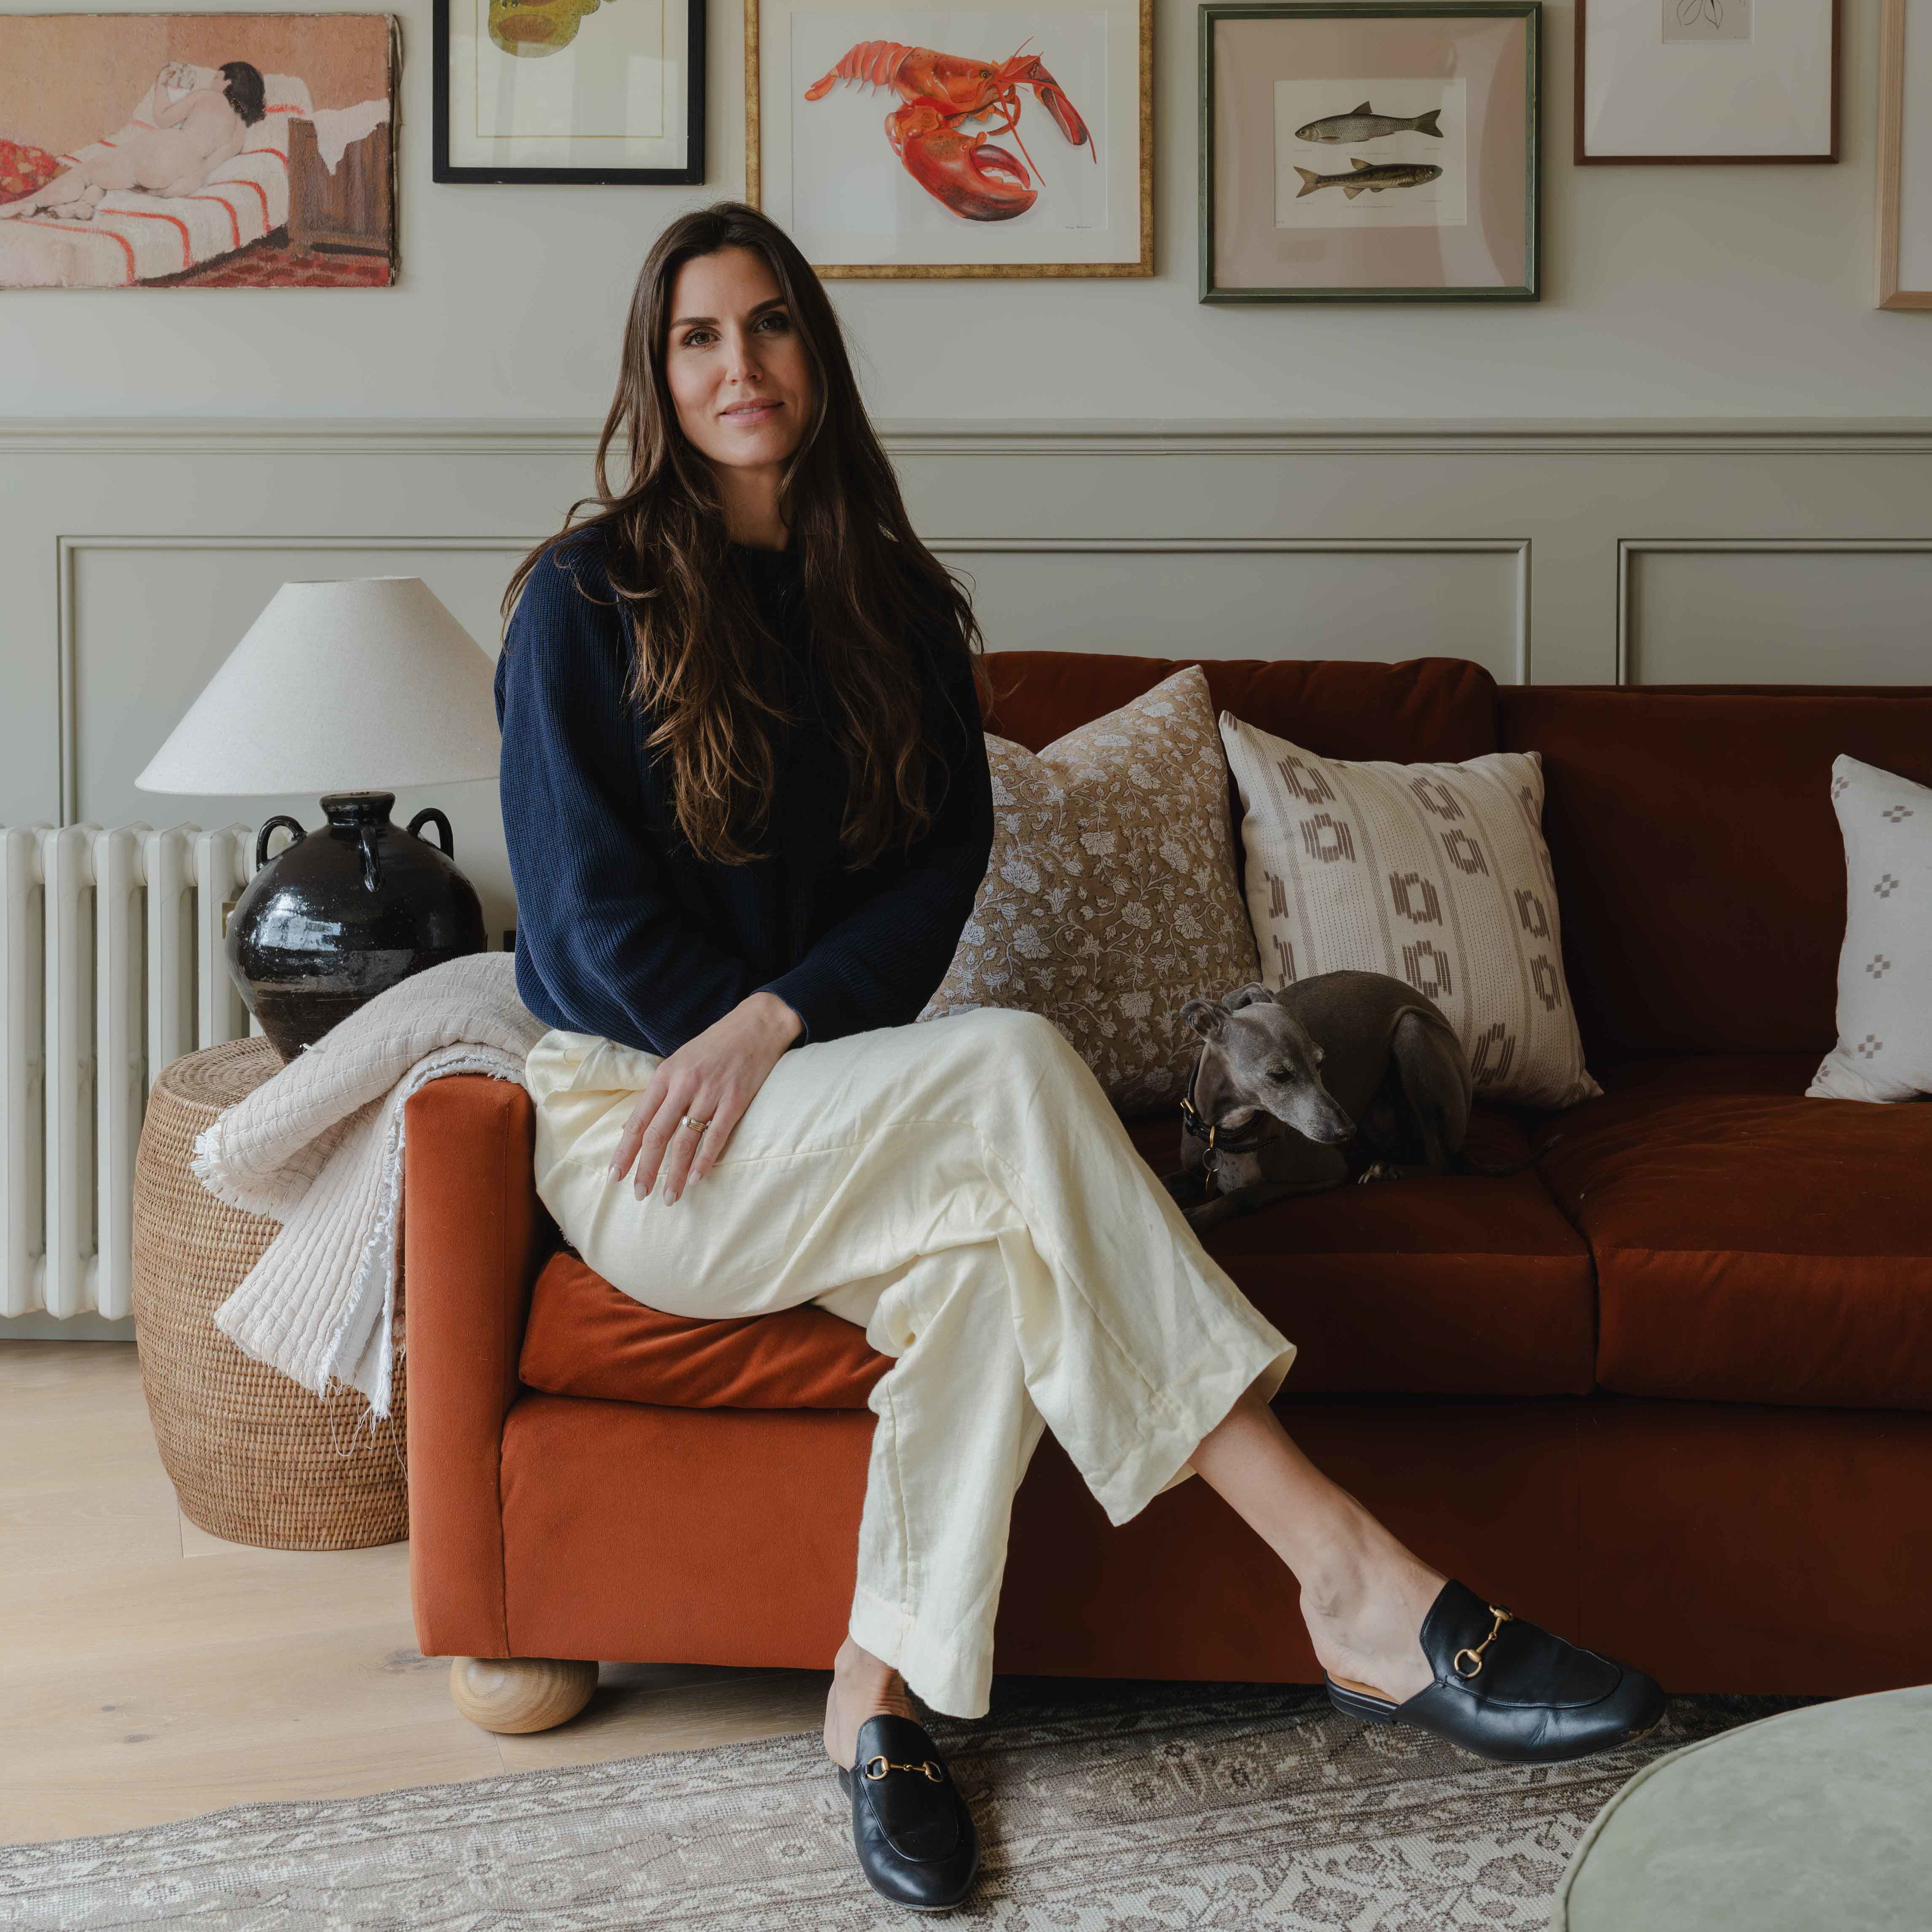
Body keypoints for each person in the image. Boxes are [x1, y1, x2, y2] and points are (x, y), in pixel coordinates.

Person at [494, 200, 1665, 1913]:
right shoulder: (582, 599)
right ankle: (1346, 1575)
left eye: (769, 327)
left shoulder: (891, 606)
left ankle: (873, 1698)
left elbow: (924, 895)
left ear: (817, 353)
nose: (737, 366)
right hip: (647, 1134)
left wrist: (782, 1026)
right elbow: (586, 917)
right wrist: (740, 1033)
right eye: (697, 338)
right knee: (1013, 1063)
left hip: (829, 1118)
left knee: (994, 1262)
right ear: (655, 374)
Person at [0, 60, 264, 222]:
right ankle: (84, 207)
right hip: (185, 175)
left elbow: (162, 119)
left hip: (166, 148)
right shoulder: (240, 131)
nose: (212, 81)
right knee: (112, 181)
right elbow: (204, 171)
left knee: (88, 171)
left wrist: (160, 85)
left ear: (229, 81)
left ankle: (25, 205)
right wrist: (158, 192)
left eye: (217, 77)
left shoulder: (208, 96)